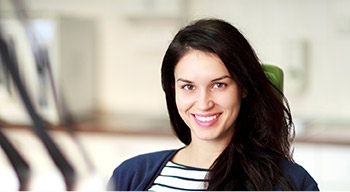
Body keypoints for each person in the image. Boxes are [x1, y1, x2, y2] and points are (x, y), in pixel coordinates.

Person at [107, 18, 319, 191]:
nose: (203, 103)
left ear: (243, 87)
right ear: (173, 90)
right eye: (188, 87)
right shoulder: (130, 175)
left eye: (218, 85)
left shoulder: (289, 182)